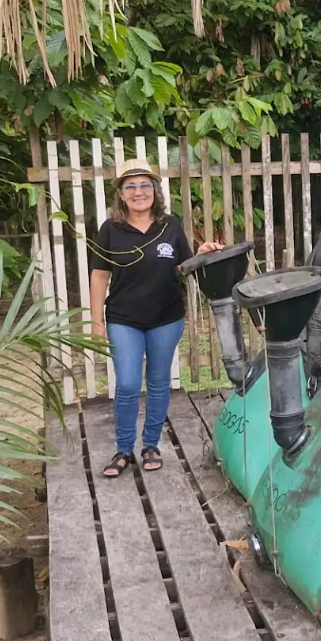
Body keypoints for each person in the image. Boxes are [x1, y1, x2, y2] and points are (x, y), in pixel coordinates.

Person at [89, 159, 224, 477]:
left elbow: (184, 266)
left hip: (166, 317)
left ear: (154, 190)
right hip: (123, 319)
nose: (139, 192)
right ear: (121, 194)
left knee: (159, 381)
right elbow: (99, 275)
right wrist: (96, 322)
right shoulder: (111, 230)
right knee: (127, 383)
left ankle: (151, 445)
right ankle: (124, 449)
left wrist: (202, 253)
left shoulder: (170, 226)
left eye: (144, 185)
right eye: (131, 186)